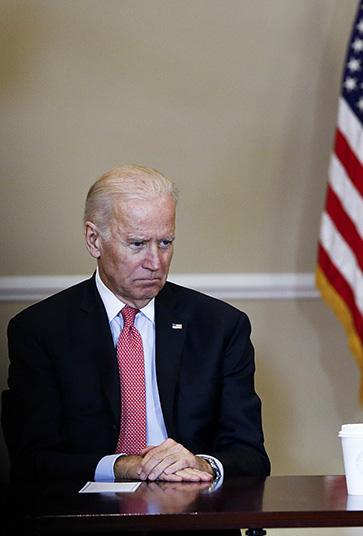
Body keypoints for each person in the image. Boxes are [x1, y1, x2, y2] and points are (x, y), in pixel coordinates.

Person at [3, 165, 269, 484]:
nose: (155, 262)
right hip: (87, 522)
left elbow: (251, 457)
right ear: (93, 241)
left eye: (166, 243)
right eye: (137, 244)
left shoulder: (221, 326)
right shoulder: (40, 331)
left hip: (192, 519)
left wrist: (202, 464)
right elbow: (32, 460)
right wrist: (122, 467)